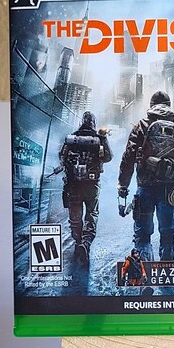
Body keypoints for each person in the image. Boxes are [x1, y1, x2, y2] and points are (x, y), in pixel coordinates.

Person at [117, 90, 174, 261]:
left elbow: (128, 157)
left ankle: (144, 270)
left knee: (142, 235)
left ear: (151, 106)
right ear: (169, 106)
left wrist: (123, 185)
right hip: (170, 190)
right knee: (168, 234)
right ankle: (166, 270)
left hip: (145, 188)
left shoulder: (141, 125)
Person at [60, 111, 112, 265]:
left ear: (81, 122)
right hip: (92, 184)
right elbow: (108, 157)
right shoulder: (98, 139)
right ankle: (86, 243)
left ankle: (78, 242)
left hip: (73, 184)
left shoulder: (72, 138)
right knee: (91, 213)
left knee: (75, 216)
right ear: (93, 123)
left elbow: (62, 157)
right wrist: (104, 138)